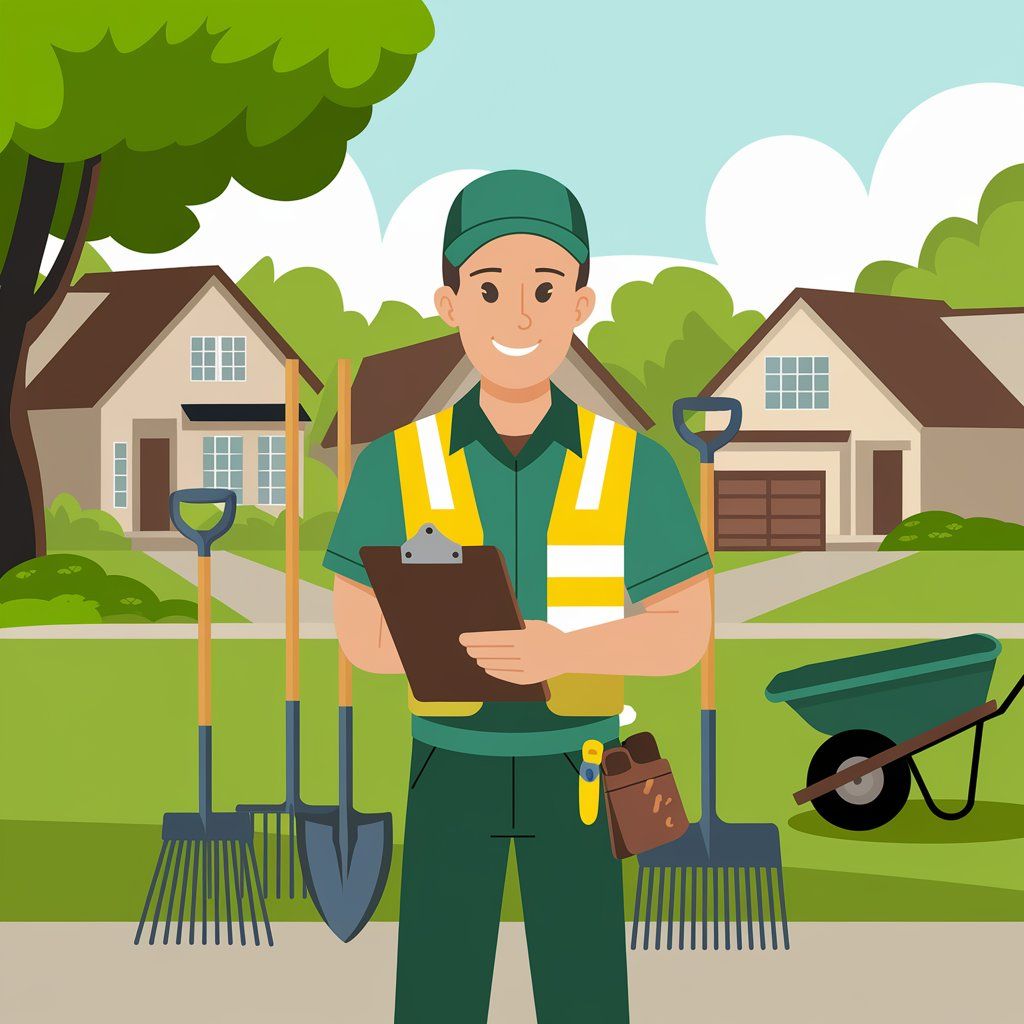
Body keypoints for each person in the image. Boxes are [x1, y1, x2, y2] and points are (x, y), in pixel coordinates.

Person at [323, 169, 712, 1024]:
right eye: (490, 289)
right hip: (447, 767)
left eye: (545, 289)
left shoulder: (632, 467)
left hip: (577, 772)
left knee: (584, 996)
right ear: (449, 301)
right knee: (436, 988)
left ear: (582, 304)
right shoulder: (394, 464)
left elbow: (684, 632)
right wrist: (452, 646)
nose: (519, 317)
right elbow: (359, 632)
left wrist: (563, 654)